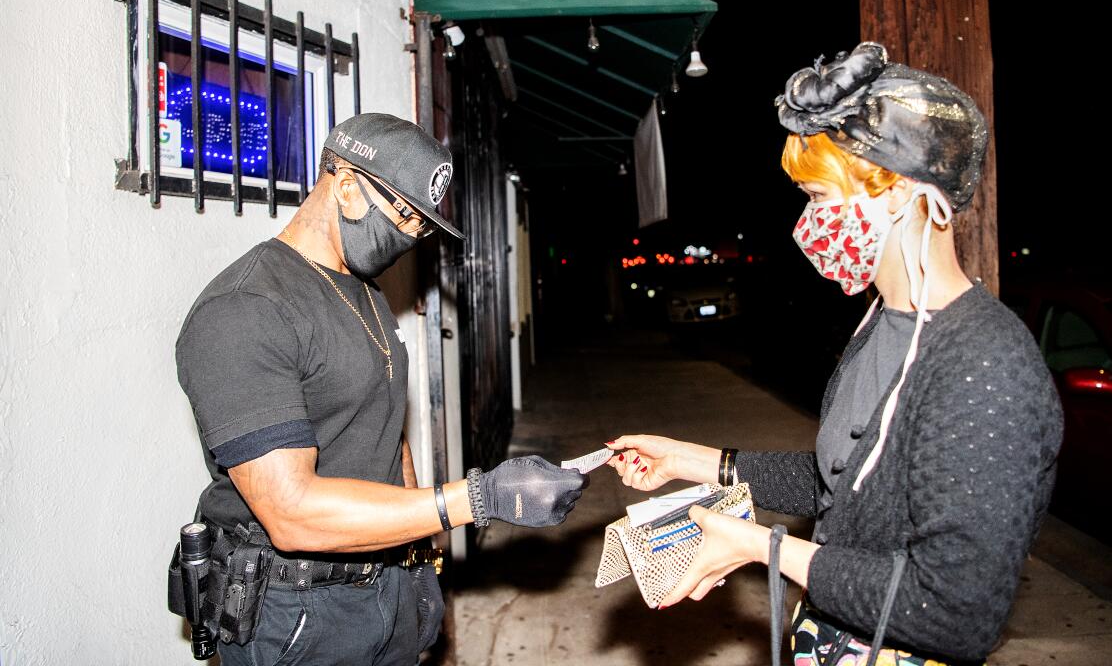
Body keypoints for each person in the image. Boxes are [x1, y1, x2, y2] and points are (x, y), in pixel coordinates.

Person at [607, 43, 1062, 665]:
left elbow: (956, 612)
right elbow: (844, 489)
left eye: (820, 197)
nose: (809, 222)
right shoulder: (883, 322)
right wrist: (693, 461)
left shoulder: (985, 365)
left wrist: (759, 548)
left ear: (903, 193)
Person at [175, 113, 587, 665]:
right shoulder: (246, 309)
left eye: (423, 226)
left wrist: (418, 560)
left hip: (385, 584)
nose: (414, 237)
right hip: (296, 612)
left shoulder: (365, 293)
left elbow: (389, 430)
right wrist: (478, 498)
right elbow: (290, 511)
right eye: (408, 218)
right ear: (346, 187)